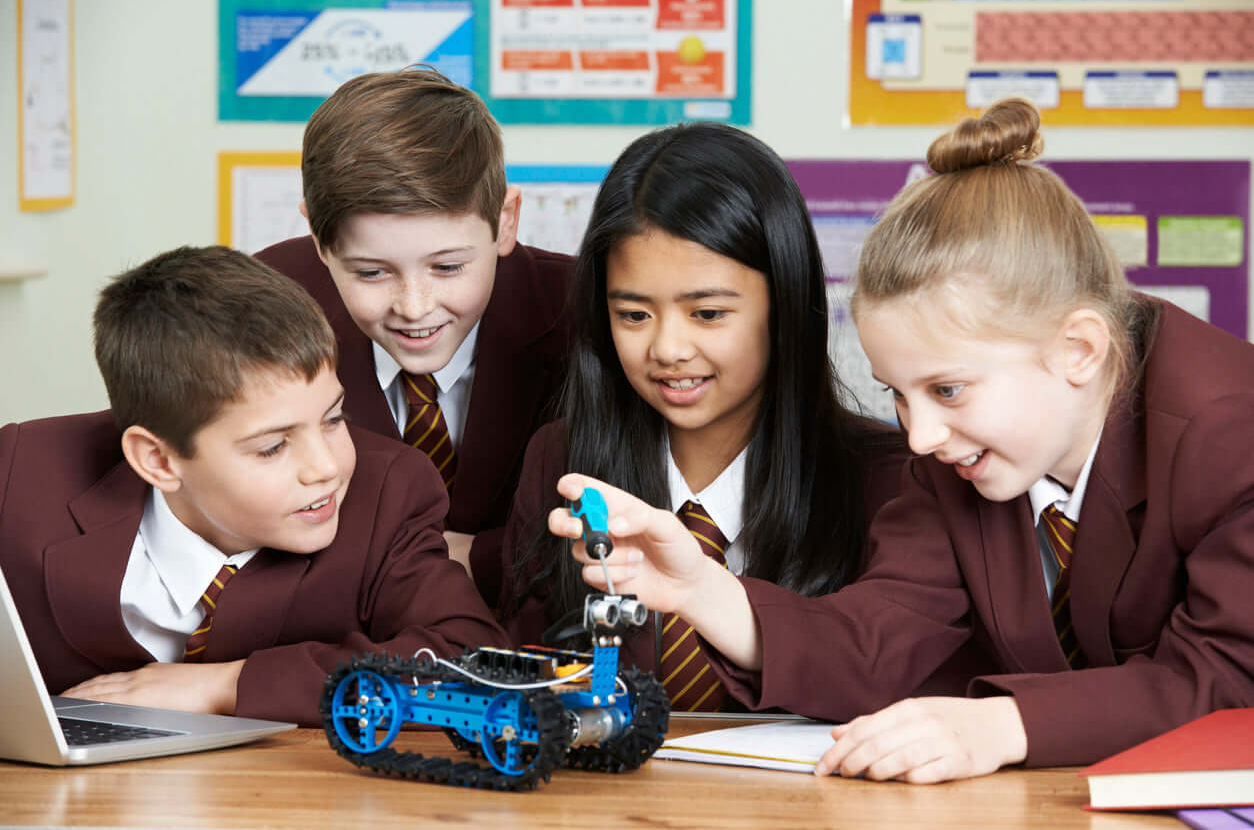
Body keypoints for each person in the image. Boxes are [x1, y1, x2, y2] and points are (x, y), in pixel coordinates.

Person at [548, 98, 1254, 779]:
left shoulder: (1230, 428)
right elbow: (877, 638)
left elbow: (1227, 680)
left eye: (947, 389)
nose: (917, 437)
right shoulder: (955, 449)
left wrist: (1003, 724)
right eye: (896, 392)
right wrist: (705, 589)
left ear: (1078, 349)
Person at [500, 122, 919, 713]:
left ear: (786, 303)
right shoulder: (562, 461)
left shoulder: (891, 479)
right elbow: (531, 679)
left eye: (707, 313)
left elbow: (894, 676)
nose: (668, 349)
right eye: (634, 316)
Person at [0, 246, 509, 726]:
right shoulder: (17, 477)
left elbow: (472, 659)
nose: (325, 467)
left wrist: (227, 684)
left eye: (333, 419)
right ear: (157, 459)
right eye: (272, 448)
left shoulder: (388, 492)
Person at [255, 68, 572, 603]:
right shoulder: (267, 306)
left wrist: (482, 557)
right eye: (372, 273)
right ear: (318, 237)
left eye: (448, 267)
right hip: (330, 629)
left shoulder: (585, 311)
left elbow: (639, 501)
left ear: (506, 220)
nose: (415, 307)